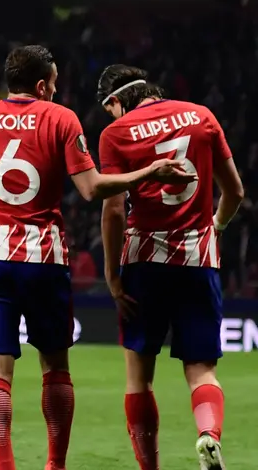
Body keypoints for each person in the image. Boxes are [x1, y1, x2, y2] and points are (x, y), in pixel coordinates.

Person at [0, 46, 196, 470]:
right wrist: (149, 172)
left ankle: (5, 467)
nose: (56, 93)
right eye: (54, 86)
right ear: (42, 85)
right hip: (45, 258)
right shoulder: (61, 118)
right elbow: (93, 189)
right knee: (55, 367)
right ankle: (55, 465)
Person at [96, 64, 244, 470]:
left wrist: (111, 276)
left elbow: (111, 211)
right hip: (198, 260)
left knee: (139, 377)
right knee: (202, 371)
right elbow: (235, 191)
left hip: (144, 263)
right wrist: (215, 225)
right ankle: (208, 435)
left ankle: (150, 467)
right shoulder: (202, 116)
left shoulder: (115, 134)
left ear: (114, 100)